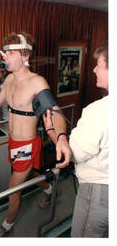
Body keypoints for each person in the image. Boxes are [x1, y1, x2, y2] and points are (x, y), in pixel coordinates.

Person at [0, 32, 71, 237]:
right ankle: (50, 190)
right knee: (33, 173)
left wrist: (61, 138)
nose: (4, 57)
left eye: (10, 53)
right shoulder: (8, 81)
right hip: (13, 142)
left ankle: (5, 228)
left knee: (12, 188)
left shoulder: (37, 82)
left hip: (27, 145)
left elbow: (54, 112)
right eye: (4, 52)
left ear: (25, 55)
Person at [43, 42, 109, 237]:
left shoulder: (99, 111)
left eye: (99, 64)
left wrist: (53, 133)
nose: (94, 69)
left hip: (98, 191)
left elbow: (73, 154)